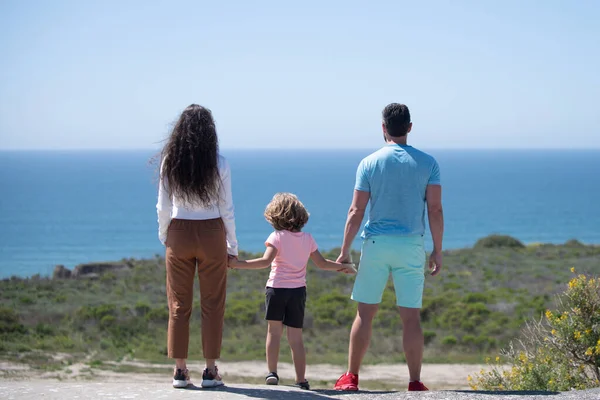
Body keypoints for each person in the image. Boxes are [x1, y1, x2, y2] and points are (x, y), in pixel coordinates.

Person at [333, 103, 444, 392]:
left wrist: (344, 251)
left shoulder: (369, 163)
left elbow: (356, 211)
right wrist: (438, 249)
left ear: (383, 128)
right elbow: (435, 209)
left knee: (365, 313)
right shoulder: (428, 163)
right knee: (411, 317)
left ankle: (351, 378)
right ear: (409, 127)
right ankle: (415, 382)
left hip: (376, 245)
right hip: (411, 245)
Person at [229, 192, 355, 390]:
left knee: (274, 333)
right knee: (296, 338)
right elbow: (321, 264)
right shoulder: (308, 239)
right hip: (297, 292)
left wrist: (237, 264)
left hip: (276, 290)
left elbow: (265, 262)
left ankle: (272, 373)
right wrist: (342, 267)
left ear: (275, 216)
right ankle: (301, 379)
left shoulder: (276, 237)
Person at [156, 104, 238, 389]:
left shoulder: (170, 161)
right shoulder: (220, 162)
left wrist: (165, 235)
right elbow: (227, 208)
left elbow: (163, 206)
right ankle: (210, 371)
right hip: (212, 231)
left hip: (179, 232)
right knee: (213, 304)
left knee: (178, 304)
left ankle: (179, 371)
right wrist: (233, 245)